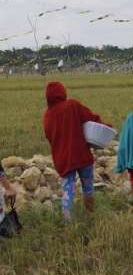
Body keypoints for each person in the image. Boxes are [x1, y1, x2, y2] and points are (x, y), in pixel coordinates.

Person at [43, 82, 110, 221]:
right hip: (82, 156)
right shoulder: (72, 105)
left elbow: (49, 137)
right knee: (88, 188)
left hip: (64, 160)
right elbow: (91, 118)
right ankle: (90, 215)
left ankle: (69, 224)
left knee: (68, 192)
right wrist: (105, 126)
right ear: (62, 93)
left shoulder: (47, 116)